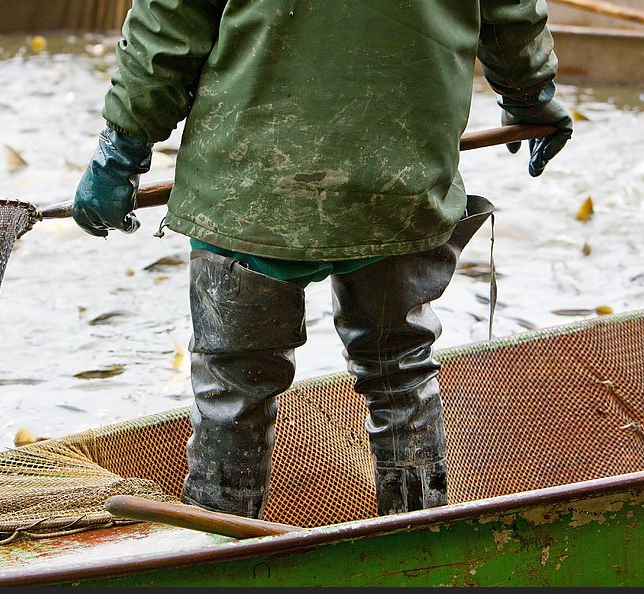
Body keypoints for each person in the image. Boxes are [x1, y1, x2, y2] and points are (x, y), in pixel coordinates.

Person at [72, 1, 573, 518]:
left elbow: (170, 22)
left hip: (251, 185)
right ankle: (417, 538)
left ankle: (219, 554)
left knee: (233, 392)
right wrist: (530, 96)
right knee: (400, 370)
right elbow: (510, 11)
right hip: (402, 178)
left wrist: (123, 146)